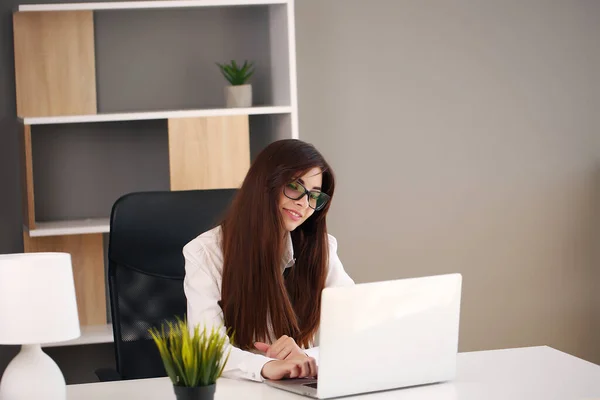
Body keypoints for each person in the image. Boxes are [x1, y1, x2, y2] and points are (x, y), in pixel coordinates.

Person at [183, 139, 354, 383]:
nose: (304, 204)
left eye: (315, 196)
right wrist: (267, 366)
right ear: (265, 184)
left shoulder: (321, 248)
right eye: (295, 186)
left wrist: (305, 358)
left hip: (300, 386)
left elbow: (357, 329)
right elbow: (208, 349)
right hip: (240, 390)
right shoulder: (206, 253)